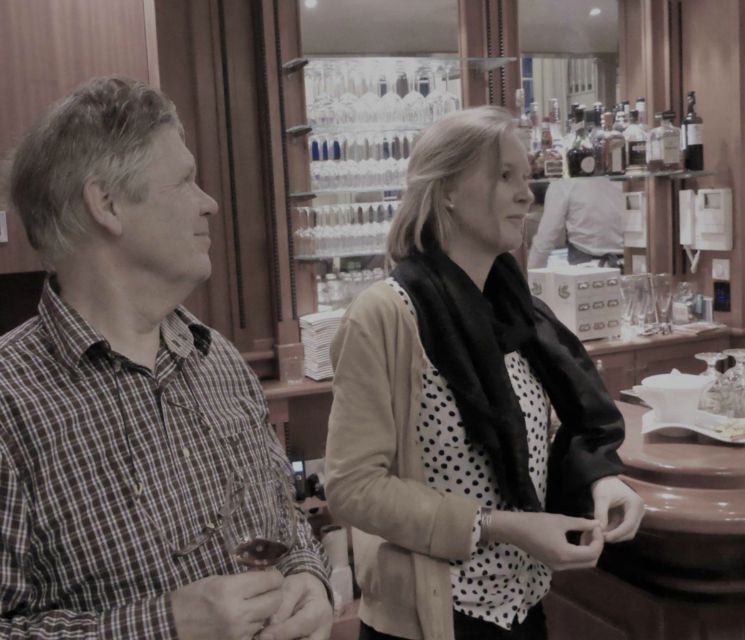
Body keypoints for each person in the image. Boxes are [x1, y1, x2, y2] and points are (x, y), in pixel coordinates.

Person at [0, 76, 332, 640]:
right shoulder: (10, 405)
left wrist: (308, 576)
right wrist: (165, 626)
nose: (210, 203)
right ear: (107, 204)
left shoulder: (218, 359)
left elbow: (285, 520)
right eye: (184, 181)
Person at [324, 106, 644, 640]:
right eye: (504, 176)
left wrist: (601, 478)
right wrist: (502, 527)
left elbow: (551, 432)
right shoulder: (387, 314)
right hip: (435, 618)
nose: (527, 195)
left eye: (526, 176)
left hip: (523, 606)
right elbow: (353, 487)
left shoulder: (517, 311)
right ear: (448, 189)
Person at [527, 176, 625, 268]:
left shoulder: (564, 183)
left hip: (583, 269)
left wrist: (531, 274)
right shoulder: (626, 177)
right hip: (627, 263)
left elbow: (545, 239)